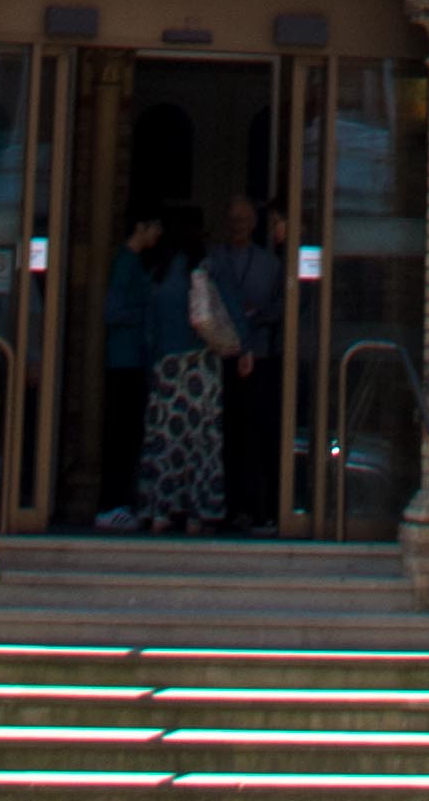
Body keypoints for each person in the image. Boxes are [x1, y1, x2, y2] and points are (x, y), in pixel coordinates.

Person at [199, 189, 286, 534]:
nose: (237, 225)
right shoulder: (213, 258)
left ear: (253, 223)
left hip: (258, 358)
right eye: (232, 219)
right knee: (221, 434)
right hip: (217, 358)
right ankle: (224, 505)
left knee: (254, 433)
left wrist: (257, 318)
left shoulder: (270, 264)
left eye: (244, 219)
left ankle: (256, 507)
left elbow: (282, 306)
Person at [134, 244, 227, 539]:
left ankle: (160, 511)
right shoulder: (203, 270)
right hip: (200, 364)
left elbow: (149, 331)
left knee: (165, 442)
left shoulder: (157, 277)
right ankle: (198, 515)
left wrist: (152, 365)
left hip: (168, 366)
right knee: (201, 443)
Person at [95, 213, 180, 529]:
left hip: (133, 361)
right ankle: (111, 505)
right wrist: (145, 310)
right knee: (120, 434)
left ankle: (117, 503)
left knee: (129, 434)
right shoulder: (126, 262)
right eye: (155, 225)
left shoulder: (134, 262)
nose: (158, 232)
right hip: (123, 362)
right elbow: (112, 311)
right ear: (140, 225)